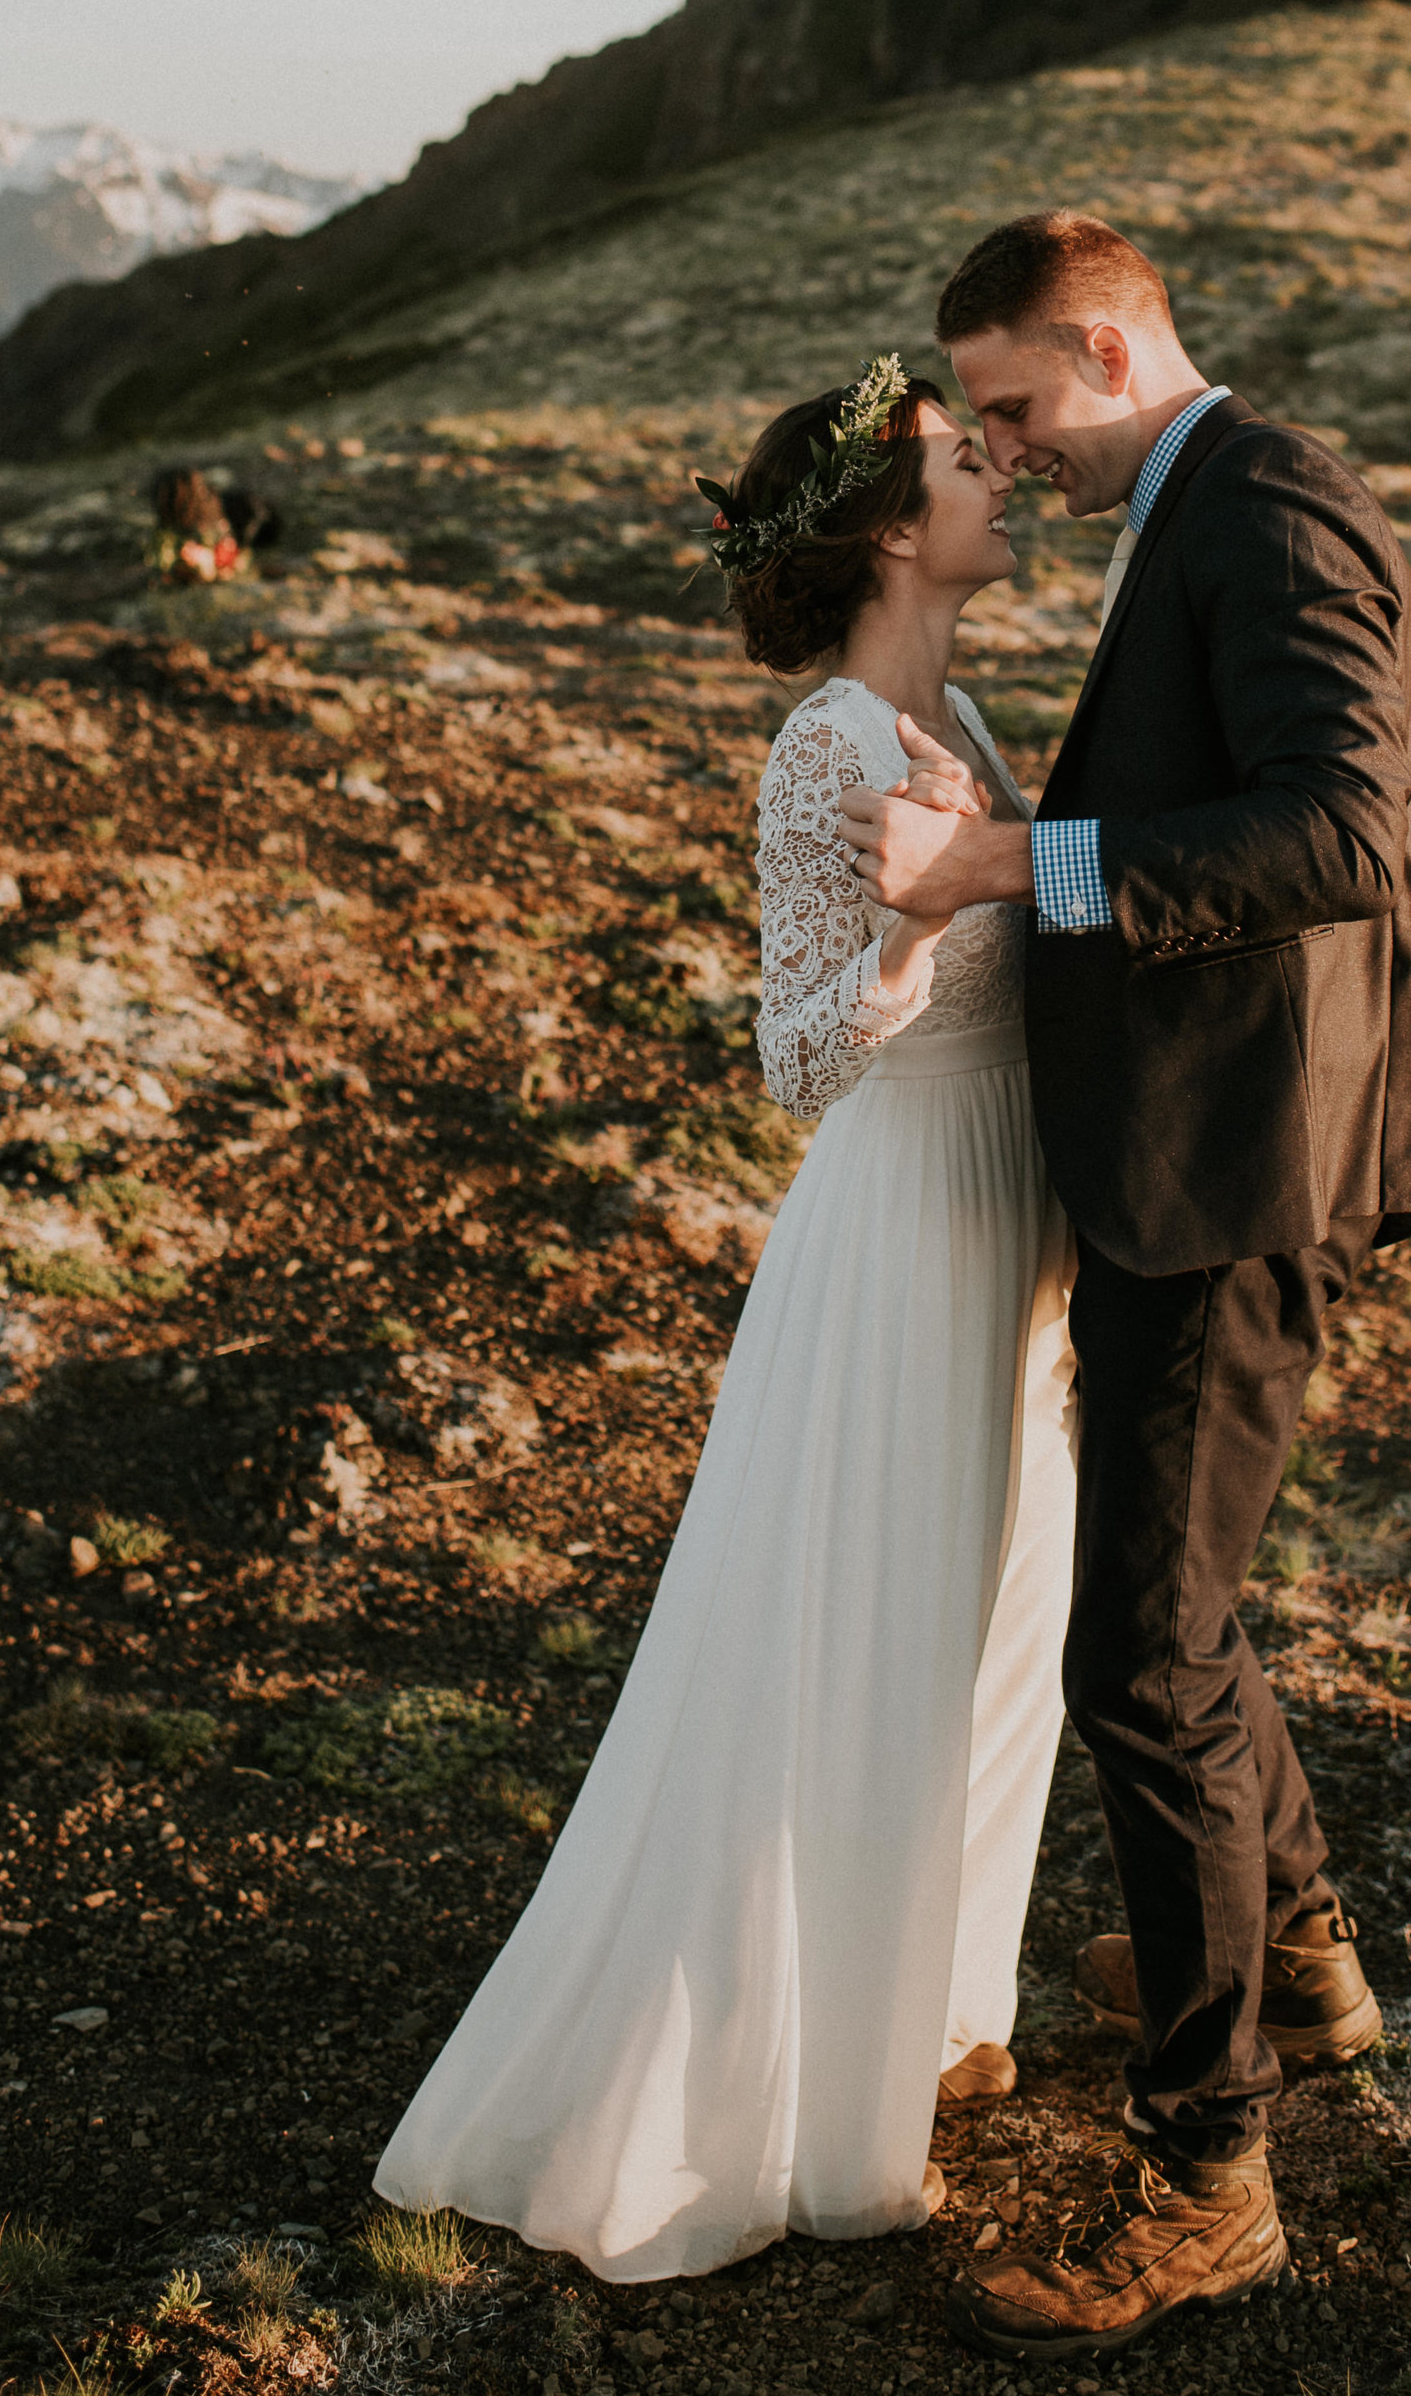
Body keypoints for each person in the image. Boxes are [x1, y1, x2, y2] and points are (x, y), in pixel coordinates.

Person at [842, 213, 1411, 2363]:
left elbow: (1331, 827)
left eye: (1022, 407)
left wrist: (999, 870)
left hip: (1231, 1174)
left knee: (1138, 1653)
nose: (1006, 450)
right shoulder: (1189, 495)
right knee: (1179, 1611)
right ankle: (1296, 1958)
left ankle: (1206, 2172)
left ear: (1116, 346)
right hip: (1190, 1153)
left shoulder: (1273, 497)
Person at [374, 359, 1075, 2278]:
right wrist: (921, 933)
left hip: (1019, 1213)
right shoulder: (825, 746)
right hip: (903, 1212)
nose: (1001, 474)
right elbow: (787, 1062)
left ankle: (927, 2003)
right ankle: (784, 2077)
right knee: (872, 1628)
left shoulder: (982, 717)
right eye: (962, 460)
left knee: (1005, 1616)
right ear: (882, 528)